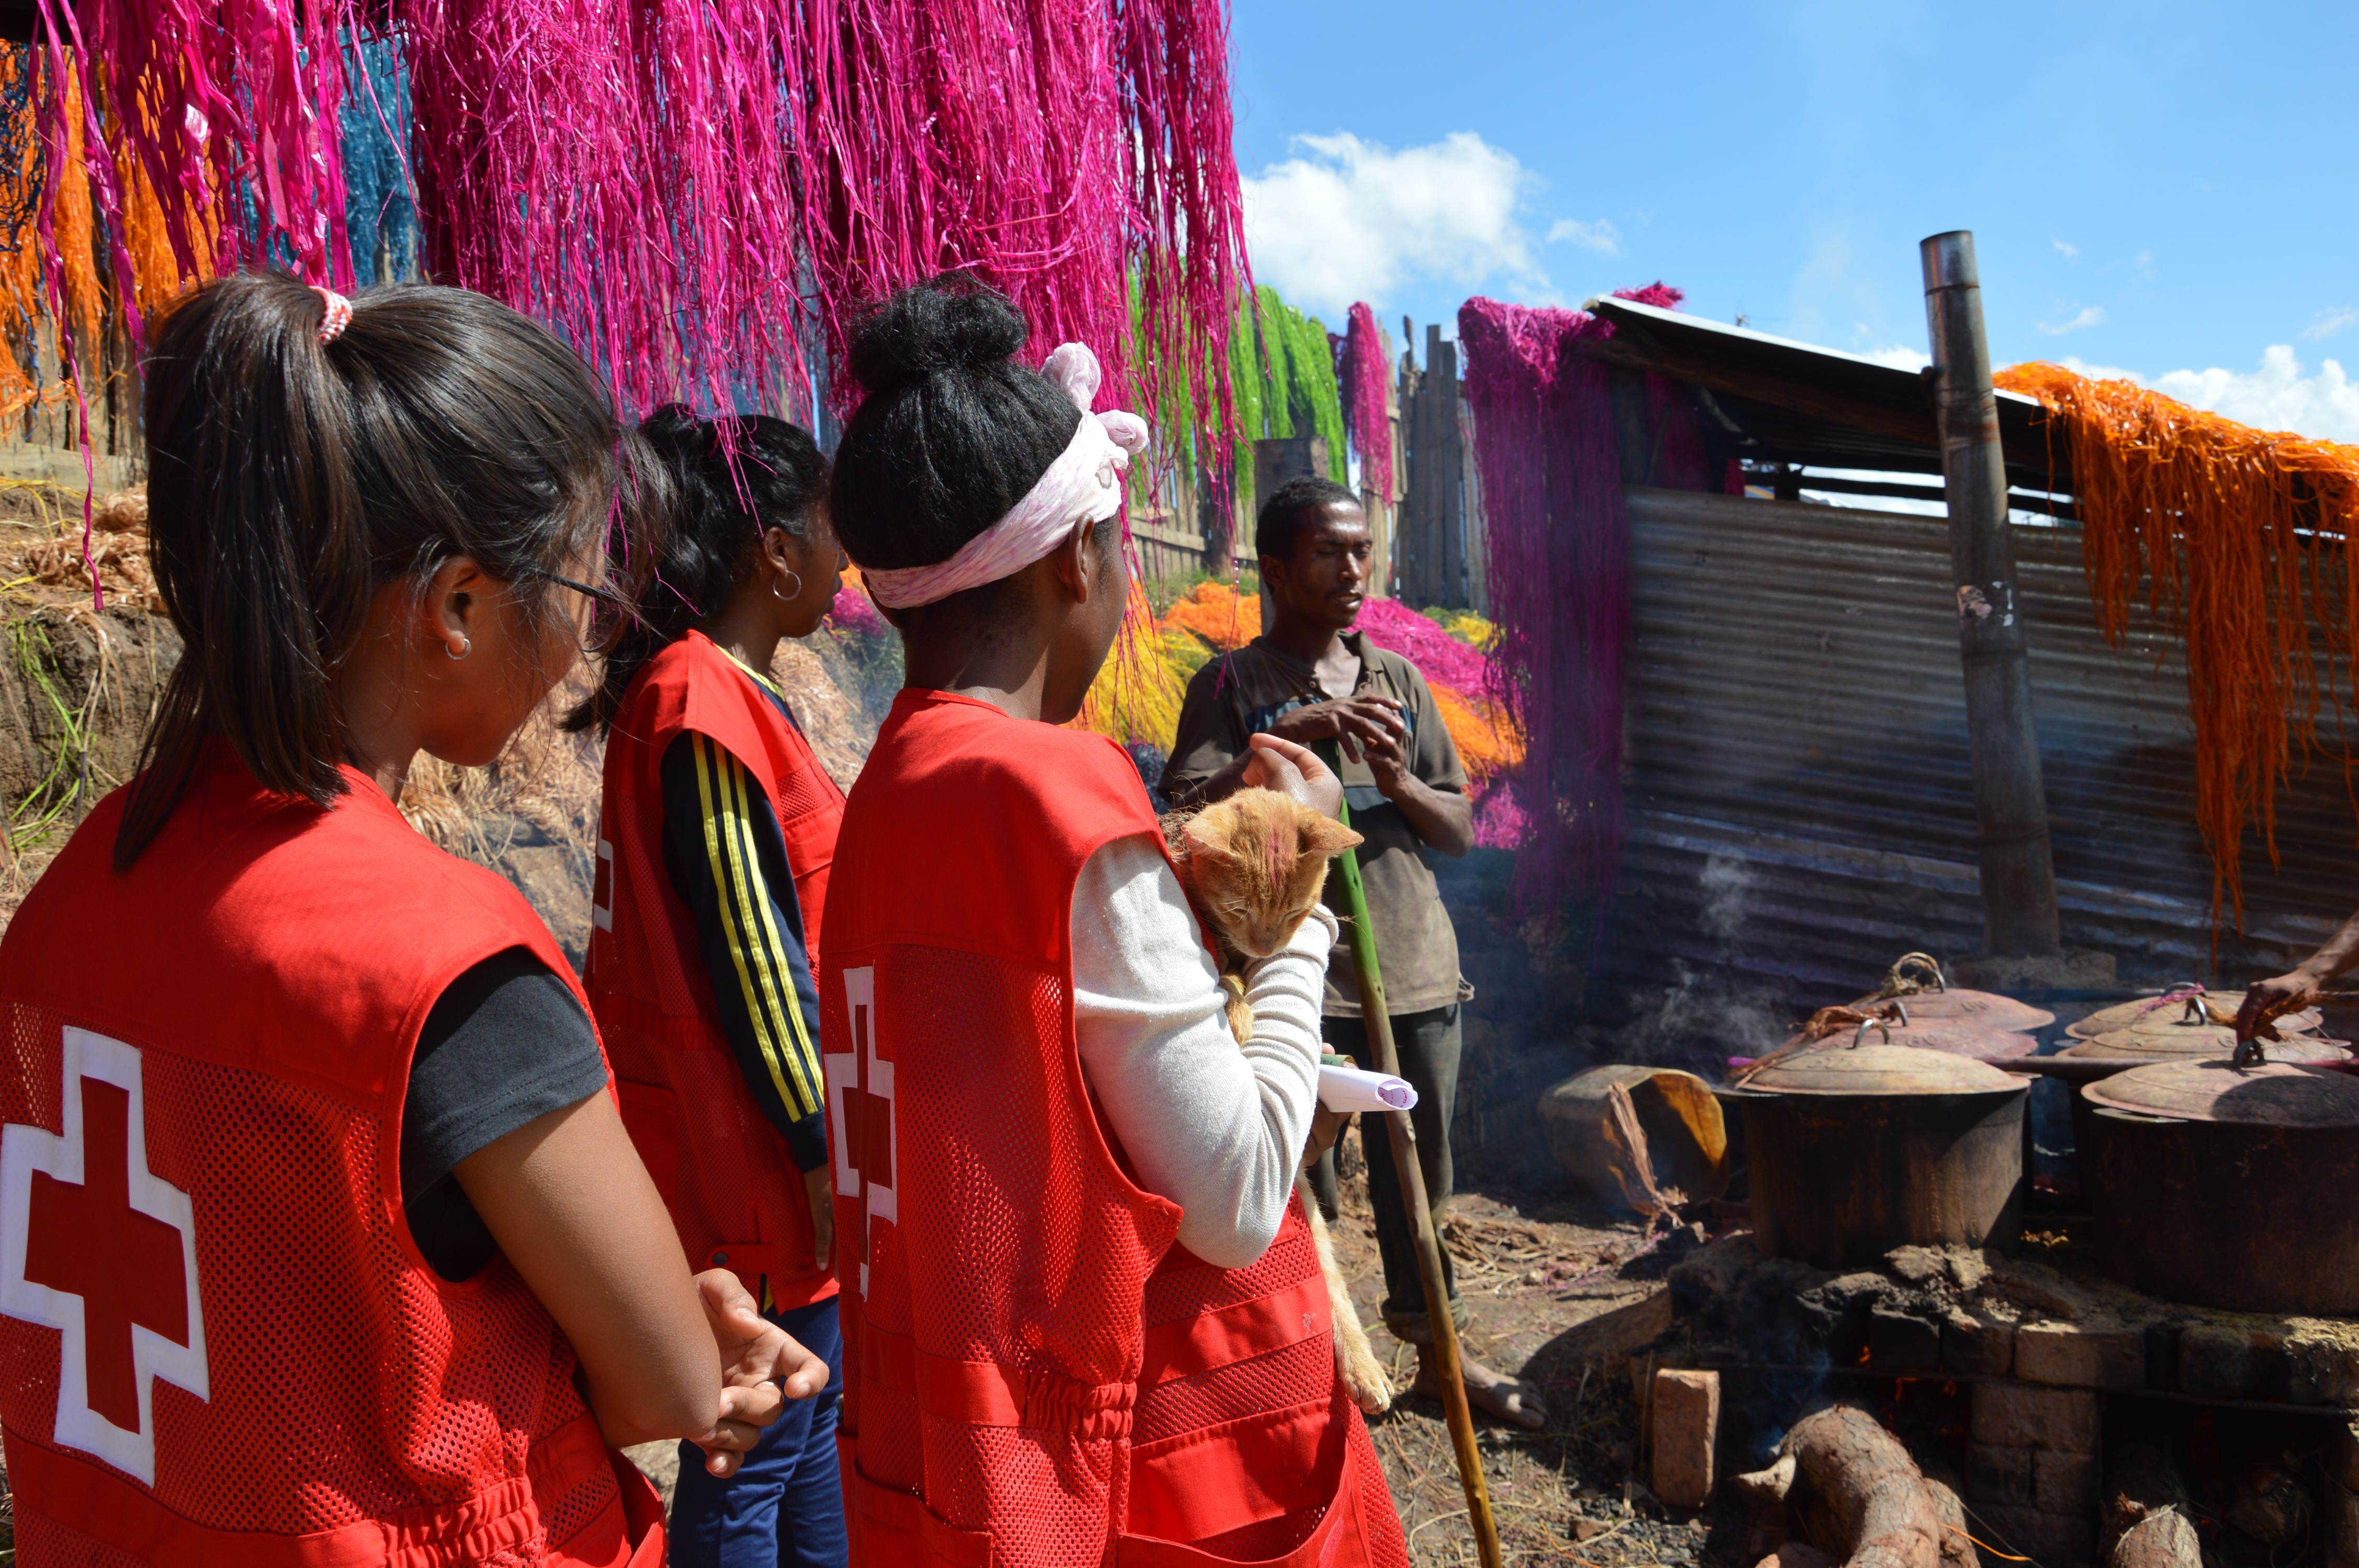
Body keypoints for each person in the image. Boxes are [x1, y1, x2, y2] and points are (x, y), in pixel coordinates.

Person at [0, 274, 824, 1565]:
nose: (583, 636)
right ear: (455, 608)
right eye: (581, 591)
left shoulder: (74, 891)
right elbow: (665, 1384)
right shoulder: (448, 962)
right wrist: (674, 1322)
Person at [818, 276, 1410, 1568]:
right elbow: (1240, 1199)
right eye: (1121, 545)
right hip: (1118, 1476)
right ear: (1077, 555)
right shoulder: (1050, 794)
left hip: (943, 1444)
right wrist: (1292, 905)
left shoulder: (889, 788)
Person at [1164, 476, 1546, 1430]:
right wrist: (1284, 737)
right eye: (1330, 553)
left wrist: (1393, 781)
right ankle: (1315, 1372)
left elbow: (1457, 825)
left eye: (1362, 552)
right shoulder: (1229, 686)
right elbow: (1182, 811)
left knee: (1423, 1175)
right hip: (1290, 979)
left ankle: (1441, 1361)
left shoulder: (1399, 683)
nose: (1352, 571)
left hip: (1412, 966)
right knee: (1298, 1186)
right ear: (1279, 569)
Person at [577, 406, 851, 1568]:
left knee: (806, 1428)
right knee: (757, 1447)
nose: (845, 558)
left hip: (760, 1169)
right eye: (828, 531)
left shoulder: (717, 687)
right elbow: (757, 963)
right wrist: (824, 1155)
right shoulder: (703, 701)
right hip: (755, 1175)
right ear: (772, 553)